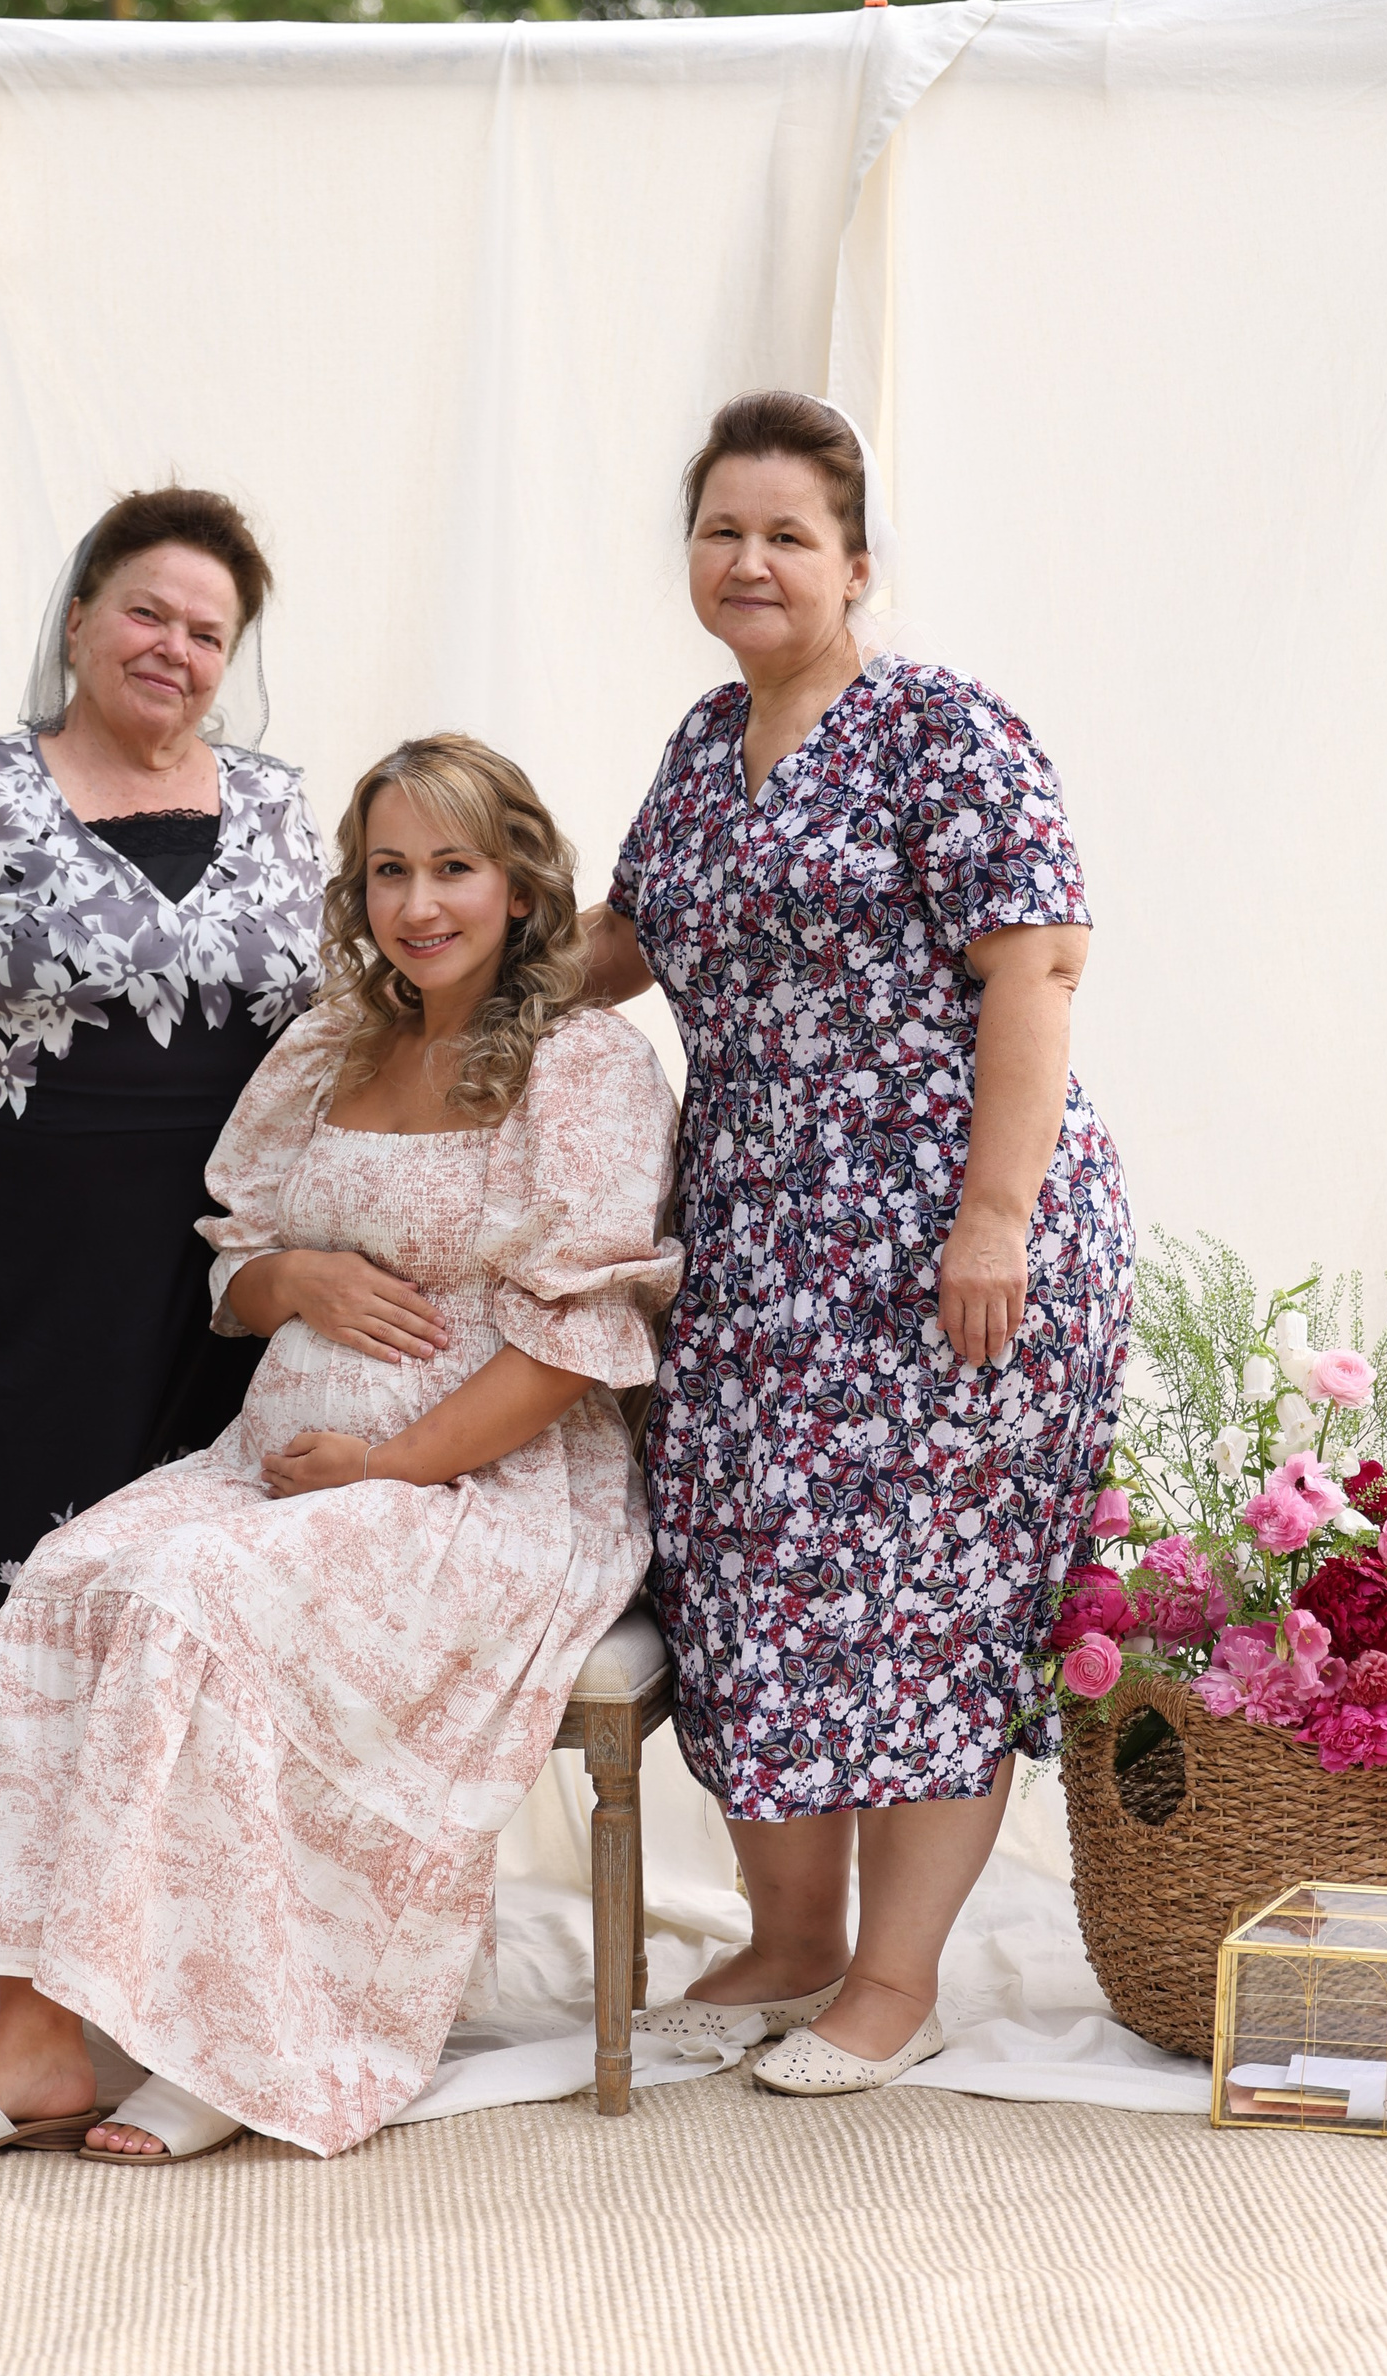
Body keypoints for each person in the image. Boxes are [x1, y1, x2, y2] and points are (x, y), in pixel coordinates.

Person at [0, 734, 680, 2171]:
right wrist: (292, 1278)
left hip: (488, 1485)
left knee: (195, 1602)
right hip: (277, 1463)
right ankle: (41, 2039)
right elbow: (233, 1271)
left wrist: (389, 1466)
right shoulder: (328, 1045)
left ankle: (231, 2036)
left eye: (455, 869)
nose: (418, 904)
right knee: (72, 1575)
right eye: (389, 872)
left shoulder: (584, 1065)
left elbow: (574, 1347)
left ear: (522, 887)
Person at [596, 388, 1133, 2097]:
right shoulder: (704, 742)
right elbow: (625, 939)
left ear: (857, 565)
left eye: (789, 534)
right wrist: (440, 963)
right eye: (722, 529)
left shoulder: (939, 729)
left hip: (949, 1235)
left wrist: (994, 1221)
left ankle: (894, 1979)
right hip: (759, 1244)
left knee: (929, 1597)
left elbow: (1036, 968)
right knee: (748, 1573)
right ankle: (790, 1939)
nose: (749, 560)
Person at [0, 487, 325, 1785]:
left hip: (212, 1290)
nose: (174, 649)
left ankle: (143, 1883)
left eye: (207, 633)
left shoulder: (283, 810)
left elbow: (341, 1030)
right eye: (148, 613)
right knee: (5, 1574)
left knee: (179, 1587)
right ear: (82, 617)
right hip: (3, 1283)